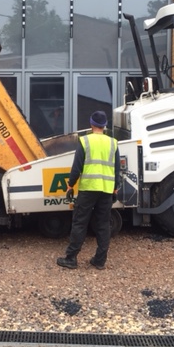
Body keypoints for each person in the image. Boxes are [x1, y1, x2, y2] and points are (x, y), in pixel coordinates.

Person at [56, 110, 121, 271]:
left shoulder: (85, 141)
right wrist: (115, 188)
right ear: (104, 126)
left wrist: (70, 185)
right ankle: (99, 260)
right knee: (103, 224)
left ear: (91, 124)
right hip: (106, 189)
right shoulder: (113, 143)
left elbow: (76, 167)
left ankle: (71, 258)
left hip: (88, 188)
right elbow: (117, 168)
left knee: (80, 222)